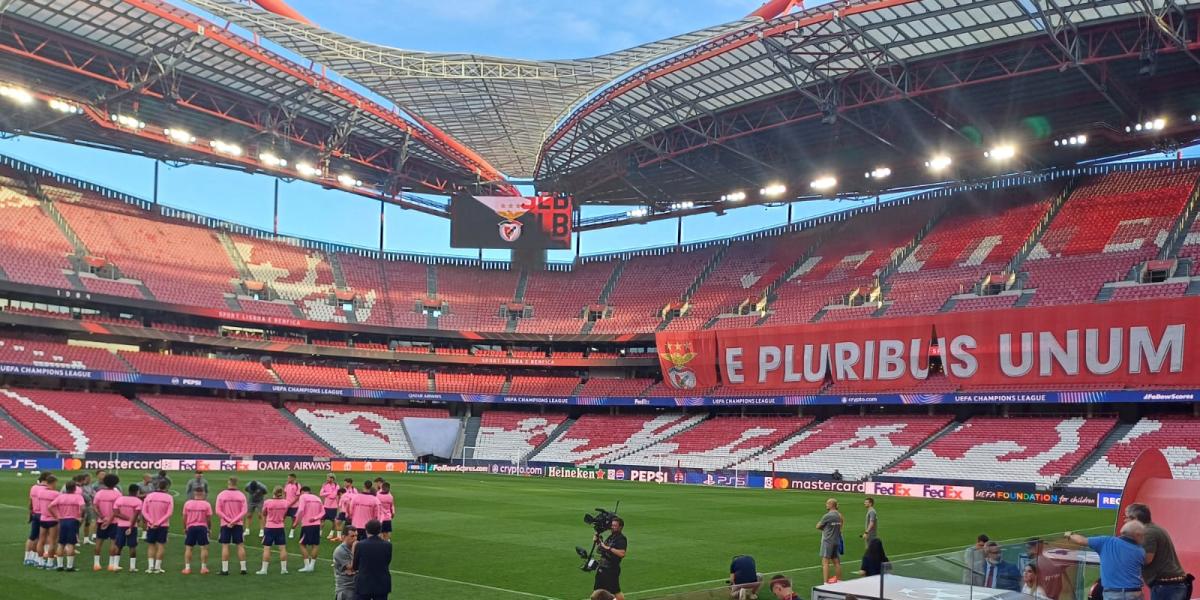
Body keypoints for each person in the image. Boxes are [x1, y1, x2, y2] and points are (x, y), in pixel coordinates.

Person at [1125, 503, 1191, 600]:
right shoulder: (1154, 529)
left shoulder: (1148, 533)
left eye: (1127, 517)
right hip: (1172, 585)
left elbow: (1147, 559)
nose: (1125, 521)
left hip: (1166, 586)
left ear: (1135, 519)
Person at [1066, 522, 1146, 600]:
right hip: (1134, 594)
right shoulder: (1140, 551)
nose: (1143, 538)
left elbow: (1081, 540)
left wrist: (1070, 535)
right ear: (1137, 535)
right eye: (1142, 536)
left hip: (1113, 594)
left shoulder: (1106, 541)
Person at [45, 480, 85, 571]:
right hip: (73, 521)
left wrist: (57, 516)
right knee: (71, 544)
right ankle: (70, 566)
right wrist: (80, 516)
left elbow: (50, 506)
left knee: (61, 543)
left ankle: (59, 565)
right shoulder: (78, 497)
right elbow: (83, 508)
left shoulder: (61, 497)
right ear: (75, 488)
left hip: (62, 521)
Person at [351, 519, 393, 600]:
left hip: (364, 583)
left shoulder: (360, 545)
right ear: (380, 530)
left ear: (366, 530)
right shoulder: (388, 545)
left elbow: (355, 566)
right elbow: (387, 561)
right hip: (382, 583)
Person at [216, 476, 249, 576]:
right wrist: (234, 521)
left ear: (228, 483)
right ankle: (243, 569)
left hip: (226, 523)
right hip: (238, 523)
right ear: (236, 483)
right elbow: (244, 511)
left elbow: (218, 511)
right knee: (240, 545)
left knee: (225, 545)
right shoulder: (241, 495)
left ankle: (225, 570)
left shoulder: (222, 495)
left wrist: (229, 521)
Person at [142, 479, 175, 574]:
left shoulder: (149, 496)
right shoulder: (169, 497)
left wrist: (152, 521)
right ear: (167, 487)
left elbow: (144, 511)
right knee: (161, 545)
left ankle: (150, 567)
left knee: (151, 545)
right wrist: (159, 522)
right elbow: (169, 513)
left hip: (151, 524)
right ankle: (157, 567)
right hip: (163, 525)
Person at [91, 473, 121, 572]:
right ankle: (111, 564)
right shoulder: (117, 494)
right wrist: (110, 519)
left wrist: (102, 517)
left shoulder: (99, 493)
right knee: (113, 542)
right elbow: (117, 509)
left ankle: (96, 564)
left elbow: (95, 506)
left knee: (99, 542)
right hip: (114, 521)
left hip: (101, 521)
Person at [593, 516, 628, 600]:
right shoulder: (611, 537)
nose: (612, 527)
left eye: (615, 526)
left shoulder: (621, 539)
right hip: (602, 567)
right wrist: (598, 541)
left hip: (611, 569)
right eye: (612, 525)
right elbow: (602, 549)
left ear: (620, 527)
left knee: (615, 591)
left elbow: (622, 553)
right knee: (597, 591)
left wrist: (608, 548)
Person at [112, 483, 143, 572]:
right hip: (132, 526)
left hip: (120, 525)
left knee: (118, 545)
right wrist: (131, 526)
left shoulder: (120, 499)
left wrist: (126, 518)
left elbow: (116, 513)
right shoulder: (138, 501)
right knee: (132, 546)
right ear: (137, 491)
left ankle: (115, 565)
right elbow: (136, 515)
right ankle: (132, 567)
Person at [258, 485, 290, 575]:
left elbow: (264, 513)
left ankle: (264, 570)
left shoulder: (268, 502)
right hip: (280, 526)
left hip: (270, 527)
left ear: (274, 493)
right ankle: (284, 569)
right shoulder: (286, 502)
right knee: (282, 548)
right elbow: (285, 514)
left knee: (267, 548)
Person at [181, 489, 212, 575]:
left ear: (194, 494)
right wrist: (209, 528)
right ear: (203, 494)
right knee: (204, 548)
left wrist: (184, 528)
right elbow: (208, 519)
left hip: (191, 527)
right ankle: (203, 568)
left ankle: (187, 568)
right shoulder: (206, 504)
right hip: (202, 527)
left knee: (189, 548)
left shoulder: (188, 503)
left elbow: (184, 517)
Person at [25, 471, 52, 567]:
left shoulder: (33, 487)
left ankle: (28, 558)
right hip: (43, 515)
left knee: (32, 536)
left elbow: (30, 501)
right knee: (42, 538)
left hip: (35, 513)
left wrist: (30, 513)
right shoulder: (46, 490)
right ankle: (38, 558)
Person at [295, 485, 323, 572]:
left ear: (302, 492)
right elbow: (323, 512)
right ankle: (312, 566)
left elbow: (300, 510)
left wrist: (296, 522)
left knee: (302, 544)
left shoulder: (303, 497)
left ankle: (307, 566)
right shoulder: (318, 498)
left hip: (307, 524)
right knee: (315, 545)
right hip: (316, 524)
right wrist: (315, 518)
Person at [816, 498, 844, 584]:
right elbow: (840, 526)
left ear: (832, 505)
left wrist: (825, 529)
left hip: (827, 541)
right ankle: (839, 580)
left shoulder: (827, 516)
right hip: (836, 540)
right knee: (836, 562)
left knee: (825, 562)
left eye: (827, 503)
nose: (826, 505)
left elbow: (818, 526)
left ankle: (825, 582)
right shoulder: (839, 515)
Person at [36, 474, 60, 569]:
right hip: (52, 519)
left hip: (43, 518)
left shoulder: (40, 493)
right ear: (53, 482)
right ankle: (50, 563)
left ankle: (40, 562)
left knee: (41, 540)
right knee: (52, 542)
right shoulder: (56, 494)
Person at [332, 526, 358, 600]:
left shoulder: (358, 547)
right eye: (352, 536)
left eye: (356, 535)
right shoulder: (340, 551)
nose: (355, 538)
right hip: (345, 589)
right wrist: (354, 550)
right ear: (343, 537)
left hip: (357, 588)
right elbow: (352, 567)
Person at [320, 474, 341, 541]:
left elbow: (335, 495)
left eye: (328, 478)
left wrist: (327, 494)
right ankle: (319, 533)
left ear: (332, 479)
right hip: (325, 506)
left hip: (333, 507)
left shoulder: (337, 486)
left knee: (333, 521)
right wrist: (328, 493)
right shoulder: (325, 485)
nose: (327, 479)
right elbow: (321, 494)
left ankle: (331, 533)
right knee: (322, 520)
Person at [284, 473, 301, 539]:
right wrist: (285, 502)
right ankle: (280, 530)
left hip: (294, 506)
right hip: (286, 505)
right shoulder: (287, 484)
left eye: (289, 478)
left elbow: (297, 497)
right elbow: (285, 493)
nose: (288, 479)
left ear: (293, 478)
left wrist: (290, 504)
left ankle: (292, 531)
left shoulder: (297, 485)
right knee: (282, 517)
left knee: (294, 519)